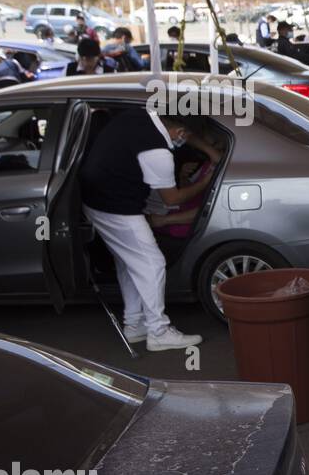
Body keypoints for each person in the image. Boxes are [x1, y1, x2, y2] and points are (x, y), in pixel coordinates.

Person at [78, 106, 219, 351]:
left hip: (96, 199)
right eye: (184, 137)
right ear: (179, 131)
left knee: (130, 262)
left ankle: (134, 325)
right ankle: (158, 331)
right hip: (116, 208)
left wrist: (209, 151)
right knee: (152, 264)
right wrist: (206, 181)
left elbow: (186, 132)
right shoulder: (157, 152)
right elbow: (172, 199)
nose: (184, 142)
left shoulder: (137, 115)